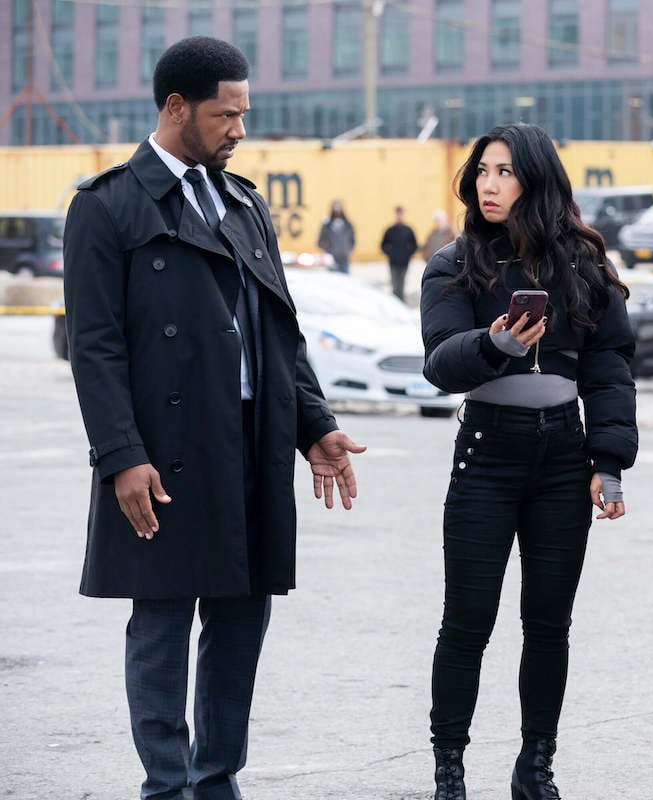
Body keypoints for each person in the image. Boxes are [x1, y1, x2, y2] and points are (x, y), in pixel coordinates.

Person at [62, 36, 366, 800]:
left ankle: (216, 780)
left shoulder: (243, 203)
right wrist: (121, 456)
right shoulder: (106, 206)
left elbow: (278, 334)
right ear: (176, 108)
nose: (239, 129)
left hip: (250, 444)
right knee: (161, 627)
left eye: (244, 113)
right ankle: (166, 785)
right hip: (162, 451)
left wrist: (314, 425)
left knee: (239, 628)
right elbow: (95, 350)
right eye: (226, 114)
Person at [420, 122, 637, 800]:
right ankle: (449, 770)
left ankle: (534, 767)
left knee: (548, 624)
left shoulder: (585, 264)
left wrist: (609, 462)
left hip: (562, 459)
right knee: (468, 622)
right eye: (482, 170)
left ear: (536, 180)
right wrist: (494, 344)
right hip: (485, 454)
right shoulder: (454, 263)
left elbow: (609, 367)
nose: (489, 183)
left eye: (505, 171)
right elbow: (439, 363)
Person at [381, 204, 419, 302]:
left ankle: (401, 302)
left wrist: (408, 254)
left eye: (401, 213)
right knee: (394, 284)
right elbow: (383, 245)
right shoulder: (390, 230)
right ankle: (394, 303)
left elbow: (414, 245)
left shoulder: (408, 230)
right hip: (393, 261)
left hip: (404, 261)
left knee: (401, 284)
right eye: (398, 213)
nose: (399, 215)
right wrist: (390, 253)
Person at [318, 199, 356, 272]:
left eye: (339, 209)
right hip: (331, 260)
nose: (337, 212)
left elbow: (352, 240)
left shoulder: (347, 225)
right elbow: (320, 242)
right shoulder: (327, 225)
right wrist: (329, 249)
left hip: (344, 259)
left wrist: (347, 250)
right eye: (335, 210)